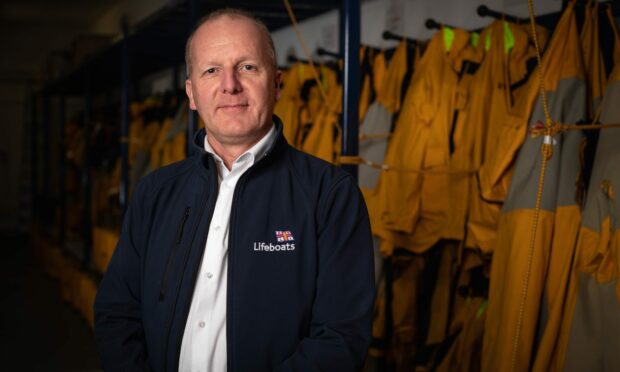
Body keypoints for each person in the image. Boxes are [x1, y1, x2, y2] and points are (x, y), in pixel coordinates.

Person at [94, 8, 375, 372]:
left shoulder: (330, 196)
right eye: (212, 70)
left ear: (276, 84)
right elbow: (116, 313)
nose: (230, 85)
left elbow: (341, 338)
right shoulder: (155, 193)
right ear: (192, 94)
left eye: (247, 67)